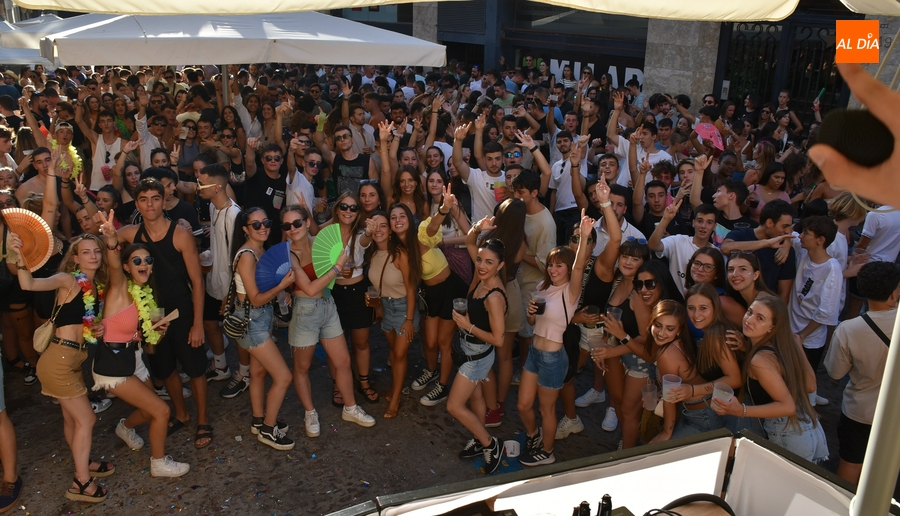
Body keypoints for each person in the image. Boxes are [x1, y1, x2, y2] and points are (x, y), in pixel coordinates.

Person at [13, 233, 113, 502]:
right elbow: (29, 283)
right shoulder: (68, 280)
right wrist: (19, 255)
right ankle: (81, 482)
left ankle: (84, 463)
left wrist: (97, 327)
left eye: (97, 251)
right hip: (58, 360)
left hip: (72, 359)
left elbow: (86, 324)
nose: (93, 256)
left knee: (72, 419)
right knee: (87, 419)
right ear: (75, 258)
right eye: (86, 252)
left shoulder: (93, 285)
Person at [117, 179, 210, 449]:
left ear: (163, 200)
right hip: (153, 312)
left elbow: (197, 282)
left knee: (194, 369)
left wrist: (197, 324)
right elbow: (103, 241)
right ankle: (181, 413)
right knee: (165, 367)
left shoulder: (179, 234)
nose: (150, 204)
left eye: (155, 198)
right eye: (144, 199)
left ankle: (203, 420)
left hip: (182, 308)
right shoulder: (130, 233)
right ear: (137, 204)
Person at [95, 216, 190, 477]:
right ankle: (158, 463)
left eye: (148, 260)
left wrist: (156, 330)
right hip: (113, 362)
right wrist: (113, 239)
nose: (144, 264)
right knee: (161, 410)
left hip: (133, 357)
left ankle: (124, 427)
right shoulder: (119, 288)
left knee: (150, 412)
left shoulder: (147, 293)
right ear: (126, 267)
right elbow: (113, 264)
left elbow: (152, 339)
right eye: (136, 261)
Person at [283, 204, 376, 432]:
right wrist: (337, 268)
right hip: (305, 310)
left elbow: (336, 271)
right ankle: (310, 413)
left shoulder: (320, 242)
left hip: (328, 305)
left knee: (343, 362)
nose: (292, 228)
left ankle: (351, 408)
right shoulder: (288, 253)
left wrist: (340, 270)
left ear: (307, 223)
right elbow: (311, 288)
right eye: (287, 225)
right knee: (302, 367)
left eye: (297, 223)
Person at [712, 294, 828, 463]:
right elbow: (810, 385)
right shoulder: (783, 345)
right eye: (750, 312)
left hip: (789, 438)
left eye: (760, 318)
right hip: (809, 430)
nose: (749, 320)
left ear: (772, 328)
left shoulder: (759, 361)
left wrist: (740, 410)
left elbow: (788, 407)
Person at [518, 210, 593, 467]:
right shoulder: (542, 287)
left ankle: (547, 452)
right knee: (523, 405)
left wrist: (584, 236)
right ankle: (533, 436)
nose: (553, 268)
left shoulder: (570, 292)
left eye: (559, 265)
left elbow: (580, 264)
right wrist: (529, 314)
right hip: (534, 354)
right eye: (551, 264)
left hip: (553, 358)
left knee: (546, 410)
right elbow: (532, 323)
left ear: (567, 268)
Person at [825, 261, 900, 484]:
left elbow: (835, 373)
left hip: (860, 412)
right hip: (895, 414)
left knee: (850, 465)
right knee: (888, 468)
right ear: (894, 291)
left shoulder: (848, 330)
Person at [228, 207, 296, 449]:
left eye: (265, 222)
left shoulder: (260, 249)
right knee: (284, 376)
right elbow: (255, 298)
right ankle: (268, 430)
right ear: (245, 229)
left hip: (261, 318)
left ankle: (258, 420)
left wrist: (282, 293)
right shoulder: (247, 255)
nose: (263, 227)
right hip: (252, 321)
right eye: (256, 224)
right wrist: (282, 287)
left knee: (258, 373)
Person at [449, 235, 508, 475]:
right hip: (470, 349)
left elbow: (499, 339)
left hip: (477, 357)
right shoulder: (480, 280)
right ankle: (478, 437)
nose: (482, 266)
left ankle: (490, 444)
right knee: (476, 399)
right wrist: (478, 229)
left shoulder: (494, 297)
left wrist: (467, 326)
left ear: (500, 266)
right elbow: (472, 239)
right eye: (480, 260)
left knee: (454, 406)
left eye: (489, 262)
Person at [412, 185, 469, 406]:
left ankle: (443, 386)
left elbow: (432, 227)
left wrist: (444, 209)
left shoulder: (420, 237)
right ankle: (432, 371)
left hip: (449, 289)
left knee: (444, 342)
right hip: (431, 293)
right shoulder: (403, 250)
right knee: (430, 341)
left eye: (403, 220)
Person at [196, 164, 249, 398]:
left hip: (230, 288)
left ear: (217, 187)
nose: (197, 187)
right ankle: (221, 367)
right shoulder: (211, 206)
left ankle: (244, 375)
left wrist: (231, 294)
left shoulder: (234, 215)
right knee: (210, 324)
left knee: (237, 332)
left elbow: (239, 258)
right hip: (213, 282)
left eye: (201, 184)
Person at [668, 284, 743, 437]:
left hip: (720, 416)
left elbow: (735, 379)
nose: (696, 315)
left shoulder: (716, 336)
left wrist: (693, 390)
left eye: (703, 308)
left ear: (715, 308)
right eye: (691, 308)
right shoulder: (706, 333)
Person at [368, 204, 421, 419]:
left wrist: (409, 319)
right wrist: (373, 301)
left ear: (390, 230)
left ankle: (396, 397)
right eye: (376, 226)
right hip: (386, 308)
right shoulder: (372, 253)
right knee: (394, 353)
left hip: (403, 308)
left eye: (384, 225)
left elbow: (411, 289)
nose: (379, 230)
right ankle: (394, 389)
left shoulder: (400, 254)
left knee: (399, 355)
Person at [327, 193, 379, 404]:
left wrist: (369, 231)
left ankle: (363, 382)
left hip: (357, 291)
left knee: (361, 342)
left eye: (353, 208)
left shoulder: (360, 234)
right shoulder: (327, 234)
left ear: (358, 212)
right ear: (337, 209)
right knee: (335, 344)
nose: (348, 211)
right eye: (344, 207)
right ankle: (338, 384)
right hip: (334, 293)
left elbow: (366, 240)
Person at [789, 216, 842, 406]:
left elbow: (825, 313)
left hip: (809, 339)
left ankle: (809, 410)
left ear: (820, 240)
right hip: (792, 329)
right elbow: (789, 234)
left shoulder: (832, 270)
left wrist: (801, 336)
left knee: (806, 377)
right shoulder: (804, 252)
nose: (801, 236)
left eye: (806, 233)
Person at [640, 301, 696, 444]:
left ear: (679, 330)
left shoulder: (668, 353)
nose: (661, 333)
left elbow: (670, 398)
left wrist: (666, 433)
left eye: (669, 328)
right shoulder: (676, 343)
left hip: (696, 417)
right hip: (685, 411)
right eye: (658, 325)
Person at [721, 200, 797, 301]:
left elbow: (783, 294)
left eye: (789, 226)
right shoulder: (741, 234)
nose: (788, 231)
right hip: (733, 305)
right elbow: (725, 248)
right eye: (784, 226)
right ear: (769, 223)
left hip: (765, 309)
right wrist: (766, 243)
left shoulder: (785, 250)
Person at [648, 199, 717, 293]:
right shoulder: (678, 241)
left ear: (714, 226)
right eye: (700, 221)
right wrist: (666, 219)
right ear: (693, 223)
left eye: (709, 222)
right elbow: (653, 245)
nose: (703, 226)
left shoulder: (717, 253)